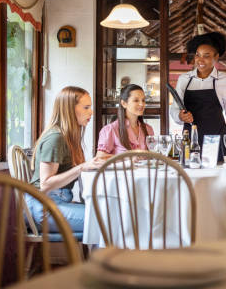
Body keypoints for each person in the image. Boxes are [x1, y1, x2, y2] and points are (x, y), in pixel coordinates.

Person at [170, 32, 226, 163]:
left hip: (216, 137)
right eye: (197, 55)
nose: (200, 60)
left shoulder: (224, 80)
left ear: (216, 57)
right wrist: (180, 116)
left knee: (218, 177)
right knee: (190, 175)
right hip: (190, 137)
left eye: (206, 56)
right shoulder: (184, 79)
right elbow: (174, 109)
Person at [28, 86, 104, 233]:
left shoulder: (68, 137)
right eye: (86, 107)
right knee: (105, 221)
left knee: (107, 214)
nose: (91, 112)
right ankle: (100, 257)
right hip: (42, 208)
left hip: (56, 201)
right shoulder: (56, 138)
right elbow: (45, 184)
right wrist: (82, 167)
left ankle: (99, 257)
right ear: (69, 109)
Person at [96, 84, 154, 160]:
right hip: (120, 172)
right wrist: (127, 158)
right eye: (136, 100)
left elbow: (153, 155)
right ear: (124, 103)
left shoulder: (148, 129)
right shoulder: (110, 130)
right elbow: (100, 158)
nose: (142, 104)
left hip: (145, 172)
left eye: (143, 100)